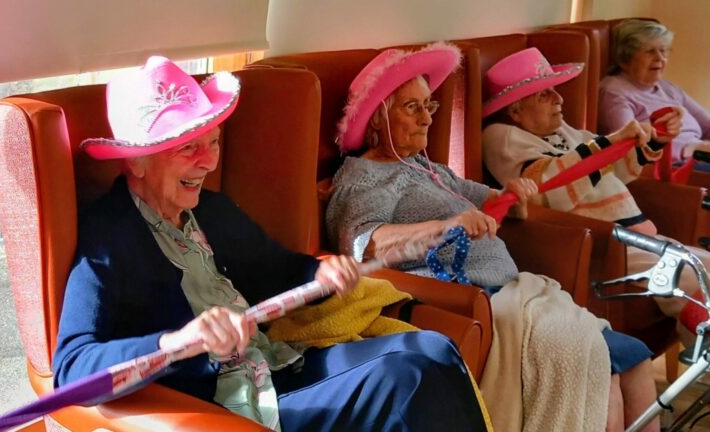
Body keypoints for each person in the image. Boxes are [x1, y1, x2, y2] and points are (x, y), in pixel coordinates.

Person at [51, 56, 487, 432]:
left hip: (278, 365)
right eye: (188, 147)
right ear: (137, 159)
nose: (208, 161)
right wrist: (176, 342)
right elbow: (71, 370)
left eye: (213, 141)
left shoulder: (210, 211)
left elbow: (278, 270)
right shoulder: (107, 237)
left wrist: (322, 273)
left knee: (434, 349)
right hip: (231, 401)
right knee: (407, 378)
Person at [326, 42, 658, 432]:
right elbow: (364, 244)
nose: (426, 119)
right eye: (411, 108)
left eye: (427, 106)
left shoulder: (423, 167)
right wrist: (444, 227)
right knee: (605, 375)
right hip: (477, 298)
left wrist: (512, 196)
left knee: (635, 361)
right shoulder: (363, 178)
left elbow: (483, 197)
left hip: (514, 289)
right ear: (377, 119)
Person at [481, 47, 710, 327]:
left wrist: (652, 139)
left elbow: (612, 166)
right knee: (695, 285)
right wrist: (607, 147)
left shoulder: (563, 130)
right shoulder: (501, 136)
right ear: (515, 110)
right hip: (604, 246)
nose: (559, 98)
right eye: (545, 93)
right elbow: (547, 189)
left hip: (636, 238)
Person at [599, 19, 710, 233]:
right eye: (650, 51)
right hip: (679, 176)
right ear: (625, 57)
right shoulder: (615, 92)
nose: (660, 58)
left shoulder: (667, 88)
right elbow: (628, 145)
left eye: (664, 51)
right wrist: (688, 151)